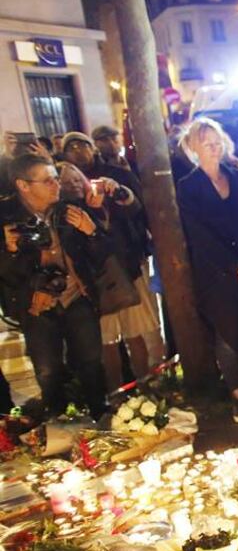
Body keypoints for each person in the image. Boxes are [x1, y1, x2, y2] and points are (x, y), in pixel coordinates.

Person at [177, 118, 238, 424]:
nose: (214, 147)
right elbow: (200, 236)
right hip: (216, 273)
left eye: (217, 141)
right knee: (227, 335)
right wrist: (234, 266)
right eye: (207, 143)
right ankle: (236, 394)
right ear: (194, 148)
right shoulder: (188, 187)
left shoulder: (236, 178)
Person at [0, 154, 109, 420]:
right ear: (23, 185)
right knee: (48, 371)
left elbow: (101, 255)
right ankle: (60, 421)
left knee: (91, 361)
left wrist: (92, 232)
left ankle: (101, 415)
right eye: (47, 181)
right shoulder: (7, 219)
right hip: (36, 305)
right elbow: (8, 278)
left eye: (56, 179)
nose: (56, 185)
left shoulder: (68, 209)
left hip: (76, 296)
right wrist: (11, 251)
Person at [57, 162, 162, 389]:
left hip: (127, 274)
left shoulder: (103, 199)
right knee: (108, 343)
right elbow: (79, 250)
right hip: (97, 283)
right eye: (66, 182)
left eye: (77, 179)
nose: (74, 185)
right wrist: (91, 226)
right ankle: (116, 393)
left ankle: (144, 387)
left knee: (135, 335)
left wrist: (117, 193)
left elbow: (134, 211)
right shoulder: (65, 213)